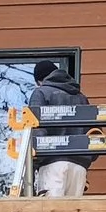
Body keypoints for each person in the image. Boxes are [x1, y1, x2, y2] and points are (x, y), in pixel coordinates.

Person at [25, 59, 95, 197]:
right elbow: (94, 133)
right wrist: (86, 158)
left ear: (39, 81)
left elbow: (37, 130)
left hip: (53, 165)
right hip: (79, 168)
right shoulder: (81, 97)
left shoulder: (41, 93)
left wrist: (33, 162)